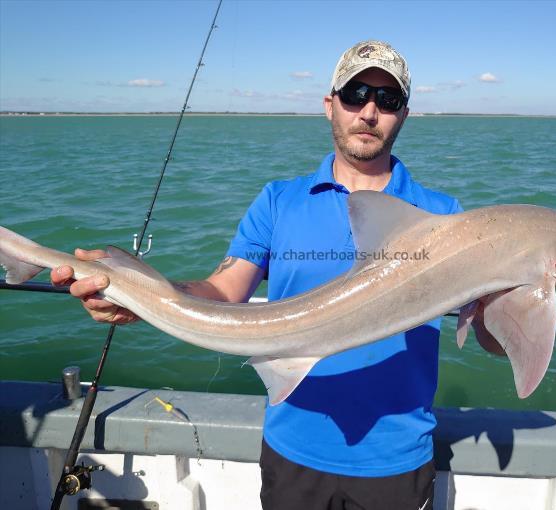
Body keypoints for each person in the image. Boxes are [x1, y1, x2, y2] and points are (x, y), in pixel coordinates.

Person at [52, 40, 463, 510]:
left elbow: (491, 337)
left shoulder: (442, 217)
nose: (369, 111)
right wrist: (143, 297)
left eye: (387, 100)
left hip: (396, 460)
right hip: (292, 450)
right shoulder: (278, 200)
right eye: (355, 93)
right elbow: (223, 291)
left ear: (404, 114)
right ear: (330, 105)